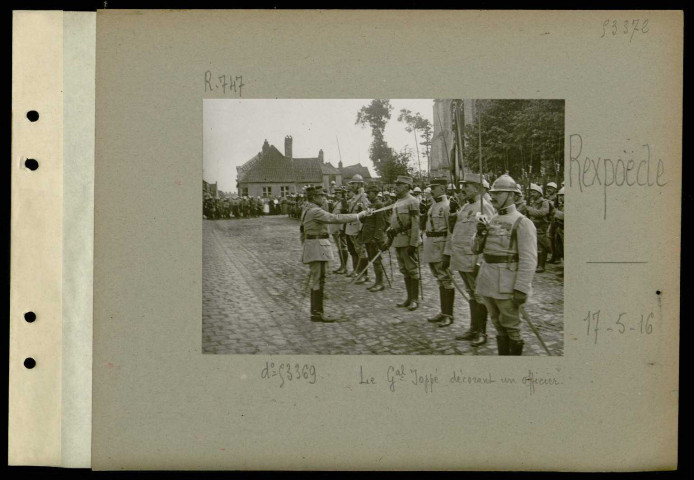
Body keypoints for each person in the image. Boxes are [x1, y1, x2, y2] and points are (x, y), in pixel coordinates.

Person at [473, 174, 537, 355]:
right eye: (492, 193)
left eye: (498, 193)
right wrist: (479, 234)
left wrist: (522, 288)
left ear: (511, 195)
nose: (492, 197)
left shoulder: (523, 222)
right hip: (488, 280)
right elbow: (475, 250)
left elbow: (529, 259)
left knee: (512, 328)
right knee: (497, 324)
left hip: (507, 284)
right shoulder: (491, 219)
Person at [301, 186, 369, 322]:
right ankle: (316, 313)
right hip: (317, 248)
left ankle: (317, 311)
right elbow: (335, 218)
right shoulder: (315, 211)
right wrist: (359, 215)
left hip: (314, 247)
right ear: (314, 197)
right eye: (321, 196)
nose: (324, 198)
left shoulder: (307, 208)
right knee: (318, 279)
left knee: (319, 278)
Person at [444, 174, 496, 345]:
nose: (463, 189)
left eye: (467, 185)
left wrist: (481, 260)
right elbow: (457, 231)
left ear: (477, 187)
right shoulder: (467, 206)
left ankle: (482, 332)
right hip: (461, 258)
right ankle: (473, 328)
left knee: (479, 295)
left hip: (473, 259)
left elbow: (487, 235)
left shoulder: (484, 206)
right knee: (471, 294)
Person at [422, 178, 455, 327]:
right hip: (431, 246)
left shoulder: (447, 206)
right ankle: (443, 312)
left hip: (441, 247)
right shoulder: (433, 205)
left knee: (446, 279)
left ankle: (449, 315)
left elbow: (451, 232)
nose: (432, 190)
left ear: (443, 188)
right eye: (431, 187)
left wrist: (447, 252)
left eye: (434, 187)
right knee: (440, 280)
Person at [384, 176, 421, 311]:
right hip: (398, 240)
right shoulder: (398, 201)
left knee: (412, 269)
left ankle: (415, 300)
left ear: (407, 186)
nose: (396, 187)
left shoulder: (413, 201)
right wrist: (389, 239)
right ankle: (409, 298)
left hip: (408, 240)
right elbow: (394, 222)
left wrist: (414, 243)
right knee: (404, 270)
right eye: (396, 184)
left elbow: (416, 224)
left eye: (399, 185)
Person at [360, 184, 387, 292]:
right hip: (368, 237)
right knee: (373, 260)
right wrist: (362, 211)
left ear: (375, 193)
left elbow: (381, 223)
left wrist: (375, 238)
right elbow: (364, 221)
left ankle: (380, 283)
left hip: (374, 238)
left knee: (376, 260)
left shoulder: (379, 205)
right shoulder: (370, 206)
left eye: (369, 193)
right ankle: (377, 282)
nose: (367, 195)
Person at [345, 174, 371, 283]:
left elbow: (367, 210)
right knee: (356, 250)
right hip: (351, 227)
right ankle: (357, 271)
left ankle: (364, 274)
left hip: (358, 228)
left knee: (361, 251)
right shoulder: (354, 197)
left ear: (360, 184)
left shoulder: (363, 196)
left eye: (353, 184)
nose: (351, 186)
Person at [526, 183, 551, 272]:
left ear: (539, 193)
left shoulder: (544, 202)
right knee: (534, 246)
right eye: (531, 192)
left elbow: (542, 213)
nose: (531, 194)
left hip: (541, 227)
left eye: (533, 192)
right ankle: (536, 264)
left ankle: (541, 265)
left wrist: (529, 209)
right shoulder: (532, 202)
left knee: (541, 247)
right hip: (533, 226)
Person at [329, 187, 350, 274]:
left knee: (342, 247)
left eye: (339, 193)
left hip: (340, 228)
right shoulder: (336, 203)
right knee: (339, 248)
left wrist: (342, 229)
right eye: (336, 193)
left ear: (342, 194)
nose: (337, 194)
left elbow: (345, 216)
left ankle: (344, 267)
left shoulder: (344, 202)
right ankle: (342, 265)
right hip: (335, 228)